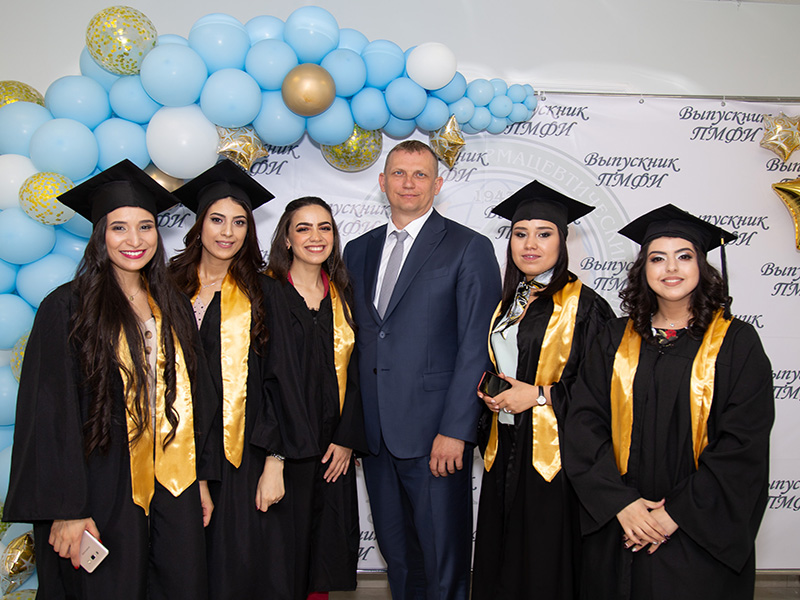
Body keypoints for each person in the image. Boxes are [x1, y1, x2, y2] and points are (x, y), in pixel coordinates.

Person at [4, 160, 218, 600]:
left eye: (145, 227)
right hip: (100, 486)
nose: (134, 240)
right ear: (100, 235)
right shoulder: (66, 308)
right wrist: (66, 509)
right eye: (119, 228)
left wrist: (199, 479)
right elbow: (49, 415)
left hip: (172, 486)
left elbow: (198, 397)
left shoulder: (173, 304)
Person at [562, 204, 774, 600]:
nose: (670, 268)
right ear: (643, 269)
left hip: (697, 533)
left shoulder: (737, 343)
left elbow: (742, 445)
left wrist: (674, 515)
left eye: (684, 256)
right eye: (657, 258)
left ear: (703, 267)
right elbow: (583, 426)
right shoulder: (612, 338)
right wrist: (620, 504)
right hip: (620, 528)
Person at [343, 140, 502, 600]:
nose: (408, 184)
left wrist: (456, 429)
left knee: (442, 560)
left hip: (435, 436)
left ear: (438, 183)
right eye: (398, 173)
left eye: (419, 175)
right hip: (375, 438)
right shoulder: (357, 250)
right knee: (399, 558)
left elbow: (477, 345)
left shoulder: (468, 247)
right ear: (381, 182)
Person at [168, 160, 311, 599]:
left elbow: (284, 380)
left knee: (247, 566)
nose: (227, 232)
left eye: (239, 222)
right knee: (186, 564)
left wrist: (275, 462)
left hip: (246, 452)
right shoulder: (169, 286)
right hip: (178, 447)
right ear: (199, 224)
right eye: (216, 220)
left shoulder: (268, 292)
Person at [471, 181, 615, 600]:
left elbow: (607, 390)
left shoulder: (585, 306)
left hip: (557, 459)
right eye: (521, 233)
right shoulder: (509, 301)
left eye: (544, 233)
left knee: (544, 563)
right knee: (505, 559)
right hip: (507, 446)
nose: (530, 244)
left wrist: (537, 396)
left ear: (563, 240)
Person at [266, 196, 367, 600]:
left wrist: (346, 437)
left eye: (324, 227)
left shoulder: (344, 294)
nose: (315, 236)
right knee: (280, 554)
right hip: (281, 446)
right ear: (287, 239)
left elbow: (360, 372)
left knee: (323, 552)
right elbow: (258, 380)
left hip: (331, 447)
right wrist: (274, 453)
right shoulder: (264, 292)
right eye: (303, 228)